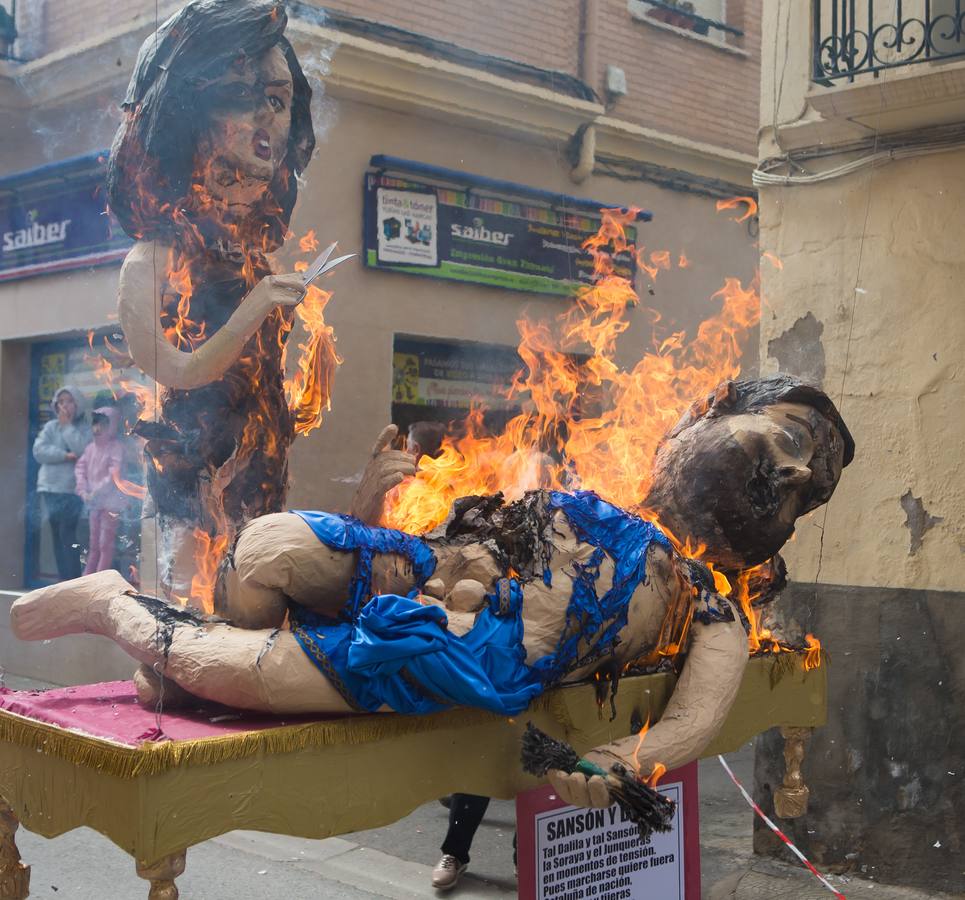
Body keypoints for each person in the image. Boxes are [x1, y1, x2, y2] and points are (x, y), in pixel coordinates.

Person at [10, 376, 853, 831]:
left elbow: (691, 721)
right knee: (264, 550)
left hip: (462, 646)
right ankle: (184, 671)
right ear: (712, 413)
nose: (785, 477)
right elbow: (455, 524)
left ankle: (114, 604)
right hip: (429, 564)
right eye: (786, 442)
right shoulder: (597, 476)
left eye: (798, 494)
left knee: (227, 667)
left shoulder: (706, 601)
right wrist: (375, 511)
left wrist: (629, 766)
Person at [106, 0, 331, 599]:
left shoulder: (253, 255)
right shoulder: (152, 261)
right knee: (183, 603)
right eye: (239, 93)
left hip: (260, 463)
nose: (265, 116)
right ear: (183, 112)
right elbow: (174, 368)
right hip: (189, 468)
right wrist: (257, 306)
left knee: (253, 601)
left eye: (278, 100)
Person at [32, 385, 92, 581]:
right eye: (61, 402)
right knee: (56, 536)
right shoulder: (50, 427)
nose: (65, 406)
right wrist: (64, 456)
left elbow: (82, 449)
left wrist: (67, 427)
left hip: (71, 490)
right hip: (49, 488)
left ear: (78, 404)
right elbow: (39, 451)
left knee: (68, 536)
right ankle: (62, 580)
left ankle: (72, 580)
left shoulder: (84, 428)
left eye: (69, 401)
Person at [75, 407, 128, 574]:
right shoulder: (90, 448)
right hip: (94, 503)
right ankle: (88, 579)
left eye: (103, 425)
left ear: (111, 427)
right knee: (93, 544)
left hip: (111, 504)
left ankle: (98, 578)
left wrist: (94, 492)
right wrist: (84, 491)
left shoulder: (116, 447)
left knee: (105, 544)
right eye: (95, 425)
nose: (97, 429)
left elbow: (114, 474)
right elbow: (80, 469)